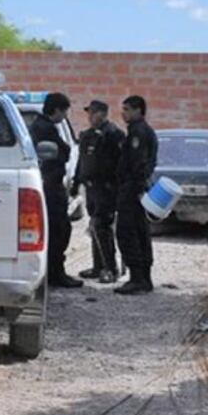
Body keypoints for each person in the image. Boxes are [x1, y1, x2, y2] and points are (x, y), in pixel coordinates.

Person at [28, 92, 83, 289]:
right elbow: (64, 151)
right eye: (64, 111)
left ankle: (54, 271)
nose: (65, 116)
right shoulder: (45, 128)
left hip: (50, 183)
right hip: (50, 186)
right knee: (59, 230)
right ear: (57, 110)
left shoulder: (41, 125)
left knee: (58, 229)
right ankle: (55, 273)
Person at [73, 100, 125, 284]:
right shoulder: (88, 135)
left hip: (106, 188)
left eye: (93, 113)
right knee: (94, 226)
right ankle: (97, 266)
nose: (90, 117)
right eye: (89, 113)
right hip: (91, 187)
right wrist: (76, 182)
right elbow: (83, 160)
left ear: (102, 114)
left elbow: (121, 163)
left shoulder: (113, 134)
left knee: (102, 226)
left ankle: (111, 268)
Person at [114, 95, 159, 296]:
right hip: (137, 188)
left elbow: (138, 163)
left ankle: (137, 278)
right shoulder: (141, 130)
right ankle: (143, 278)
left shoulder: (138, 133)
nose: (124, 113)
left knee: (127, 231)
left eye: (127, 109)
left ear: (138, 110)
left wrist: (130, 185)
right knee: (140, 231)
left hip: (132, 189)